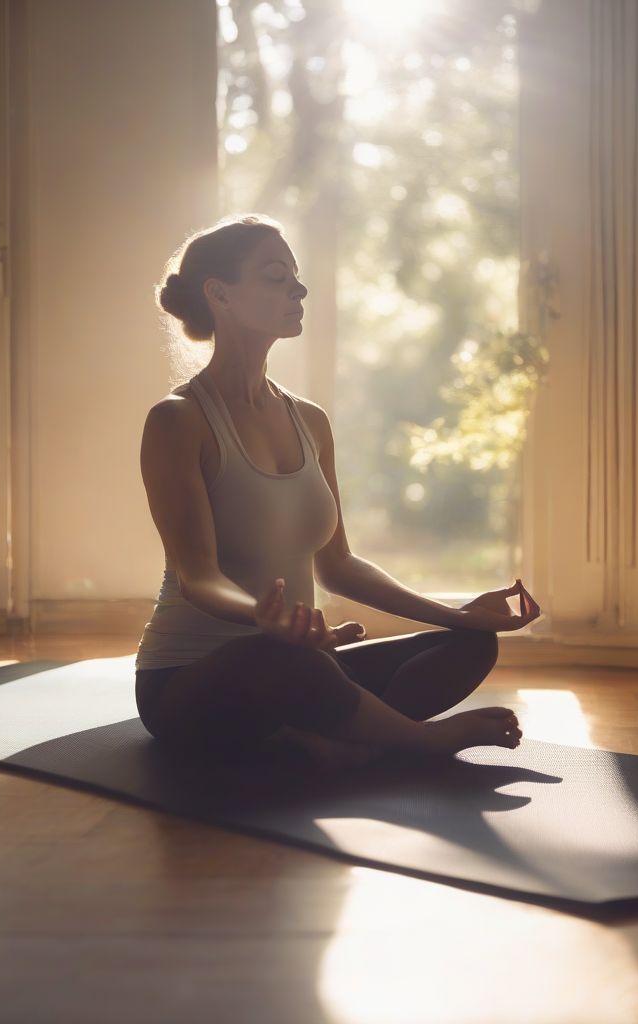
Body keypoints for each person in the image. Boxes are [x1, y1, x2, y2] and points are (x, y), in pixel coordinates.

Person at [136, 213, 542, 773]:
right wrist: (269, 620)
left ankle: (337, 740)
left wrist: (458, 616)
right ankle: (421, 740)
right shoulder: (178, 420)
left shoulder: (309, 420)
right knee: (287, 664)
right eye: (277, 277)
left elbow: (340, 565)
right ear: (219, 294)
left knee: (469, 646)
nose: (298, 289)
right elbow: (198, 576)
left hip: (300, 657)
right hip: (193, 681)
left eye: (296, 277)